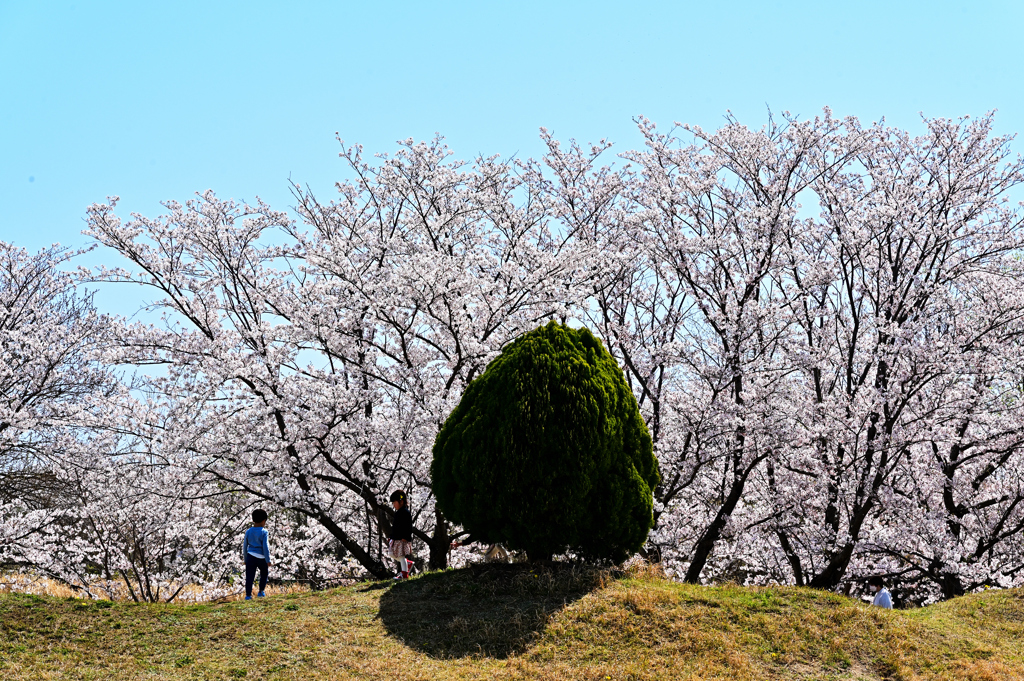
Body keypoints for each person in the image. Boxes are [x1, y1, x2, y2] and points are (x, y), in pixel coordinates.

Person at [242, 508, 272, 600]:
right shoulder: (264, 532)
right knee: (264, 573)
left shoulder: (248, 531)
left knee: (249, 576)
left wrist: (245, 559)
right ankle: (261, 592)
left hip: (250, 556)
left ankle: (248, 595)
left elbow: (244, 546)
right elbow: (265, 547)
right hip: (261, 557)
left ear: (253, 520)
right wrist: (268, 560)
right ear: (264, 521)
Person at [388, 490, 413, 579]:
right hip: (396, 538)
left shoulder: (405, 512)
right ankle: (407, 564)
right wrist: (391, 536)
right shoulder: (398, 513)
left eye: (394, 502)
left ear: (401, 502)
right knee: (391, 553)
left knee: (401, 556)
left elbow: (408, 526)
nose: (393, 505)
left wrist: (406, 537)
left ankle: (404, 574)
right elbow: (395, 527)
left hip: (402, 539)